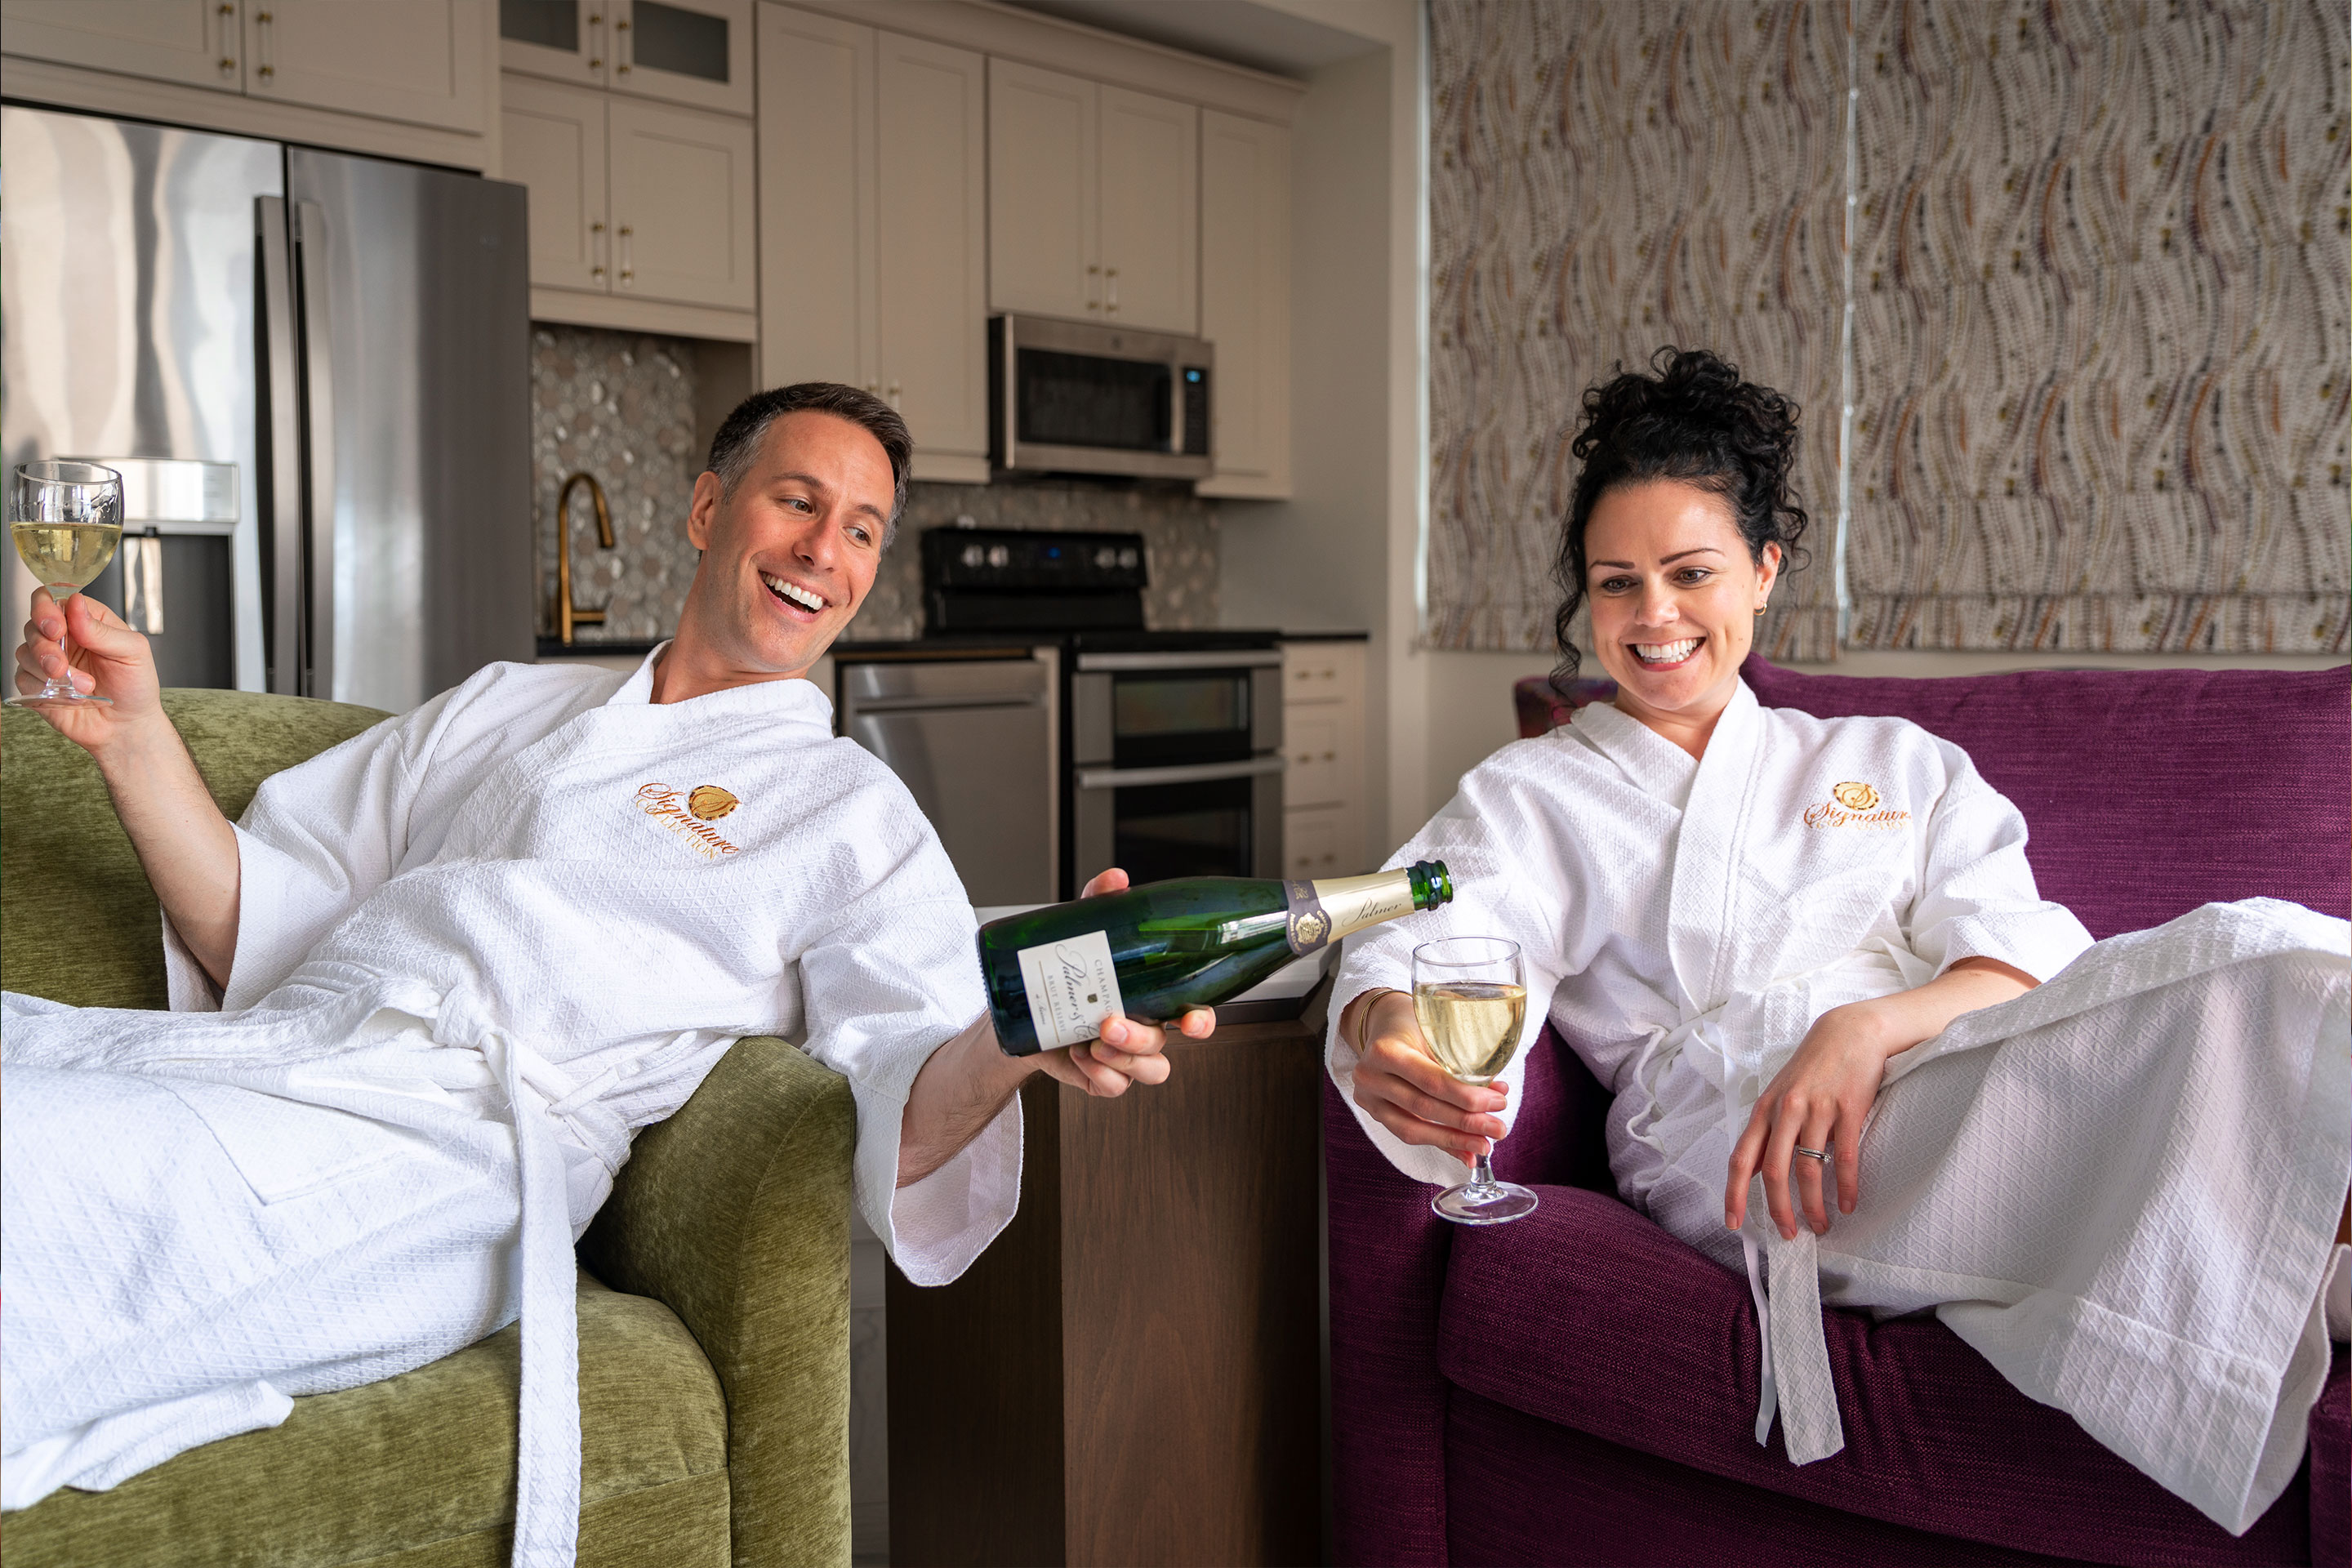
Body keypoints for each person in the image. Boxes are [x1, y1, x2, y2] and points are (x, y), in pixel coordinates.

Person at [0, 383, 1212, 1565]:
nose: (824, 553)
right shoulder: (507, 706)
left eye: (861, 531)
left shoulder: (848, 810)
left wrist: (1019, 1033)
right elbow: (272, 927)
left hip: (451, 1157)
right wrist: (135, 743)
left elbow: (908, 1085)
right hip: (288, 1070)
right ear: (705, 510)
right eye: (796, 501)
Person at [1329, 347, 2350, 1536]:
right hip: (1757, 1139)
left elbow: (2020, 958)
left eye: (1689, 572)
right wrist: (1389, 1027)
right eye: (1616, 584)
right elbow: (1422, 931)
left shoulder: (1890, 763)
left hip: (1938, 1061)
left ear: (1763, 573)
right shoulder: (1534, 794)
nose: (1652, 616)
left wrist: (1865, 1027)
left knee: (2276, 978)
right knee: (2269, 976)